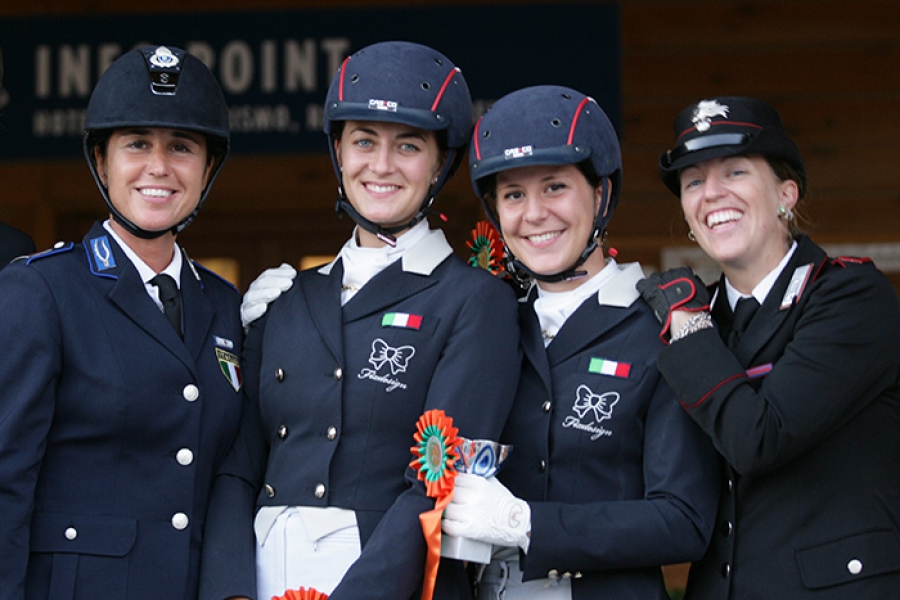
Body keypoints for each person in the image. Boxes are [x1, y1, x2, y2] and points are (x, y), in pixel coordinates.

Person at [199, 41, 520, 600]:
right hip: (262, 576)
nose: (382, 165)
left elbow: (437, 483)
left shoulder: (476, 300)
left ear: (440, 161)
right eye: (364, 141)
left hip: (387, 582)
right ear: (339, 153)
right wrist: (230, 590)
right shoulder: (289, 297)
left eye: (408, 146)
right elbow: (237, 465)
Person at [439, 85, 719, 600]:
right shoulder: (485, 322)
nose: (535, 214)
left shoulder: (659, 328)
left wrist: (528, 525)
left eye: (554, 187)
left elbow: (684, 520)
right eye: (514, 195)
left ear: (600, 193)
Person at [0, 45, 244, 599]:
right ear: (102, 160)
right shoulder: (40, 290)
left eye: (181, 147)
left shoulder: (224, 304)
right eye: (137, 144)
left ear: (207, 169)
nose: (159, 167)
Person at [637, 96, 900, 598]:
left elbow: (759, 438)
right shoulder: (698, 314)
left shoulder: (851, 296)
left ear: (787, 193)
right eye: (693, 182)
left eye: (734, 172)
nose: (710, 193)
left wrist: (689, 328)